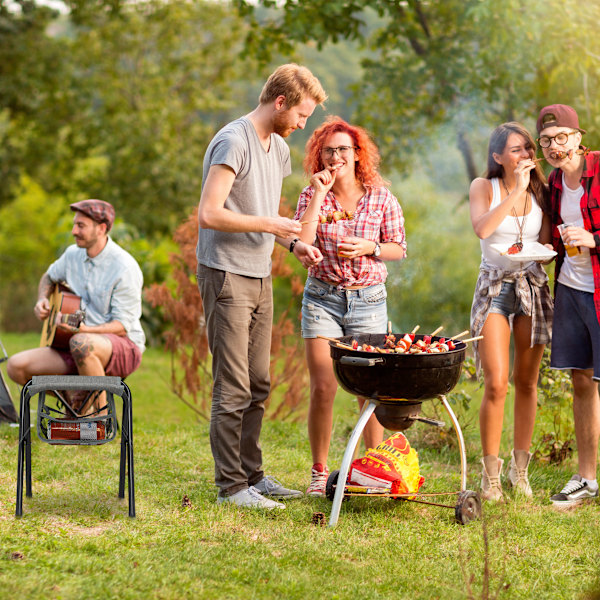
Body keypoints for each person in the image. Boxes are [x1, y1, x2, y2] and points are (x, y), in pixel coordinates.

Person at [196, 64, 327, 510]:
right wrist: (270, 223)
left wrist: (291, 244)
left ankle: (253, 476)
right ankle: (231, 487)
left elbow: (263, 213)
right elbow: (210, 213)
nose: (302, 125)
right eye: (301, 115)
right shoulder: (234, 140)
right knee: (231, 384)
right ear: (280, 102)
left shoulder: (279, 150)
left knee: (258, 382)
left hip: (259, 272)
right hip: (225, 271)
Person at [293, 116, 406, 496]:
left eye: (344, 149)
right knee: (324, 386)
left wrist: (369, 247)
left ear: (358, 155)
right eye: (329, 150)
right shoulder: (312, 194)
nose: (336, 156)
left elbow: (398, 247)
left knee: (369, 391)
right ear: (319, 155)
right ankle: (319, 472)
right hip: (322, 297)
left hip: (369, 299)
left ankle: (371, 472)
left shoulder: (380, 197)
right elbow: (301, 242)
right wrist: (320, 195)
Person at [469, 122, 553, 501]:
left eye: (527, 149)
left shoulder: (542, 190)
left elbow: (546, 244)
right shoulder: (483, 187)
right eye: (515, 150)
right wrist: (516, 189)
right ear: (498, 156)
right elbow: (483, 230)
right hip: (495, 289)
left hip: (532, 286)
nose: (524, 156)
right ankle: (490, 476)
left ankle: (521, 473)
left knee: (527, 381)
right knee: (496, 382)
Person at [7, 199, 145, 414]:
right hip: (72, 341)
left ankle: (99, 419)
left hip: (121, 346)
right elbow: (49, 277)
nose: (73, 231)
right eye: (74, 224)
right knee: (16, 366)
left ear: (101, 228)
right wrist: (42, 300)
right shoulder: (72, 254)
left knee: (82, 343)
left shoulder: (124, 267)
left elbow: (122, 326)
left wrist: (85, 330)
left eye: (81, 226)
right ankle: (76, 402)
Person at [535, 104, 600, 507]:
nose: (554, 146)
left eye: (561, 137)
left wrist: (595, 238)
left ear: (577, 136)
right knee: (581, 381)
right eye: (546, 141)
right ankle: (586, 478)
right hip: (572, 288)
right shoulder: (555, 183)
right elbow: (557, 237)